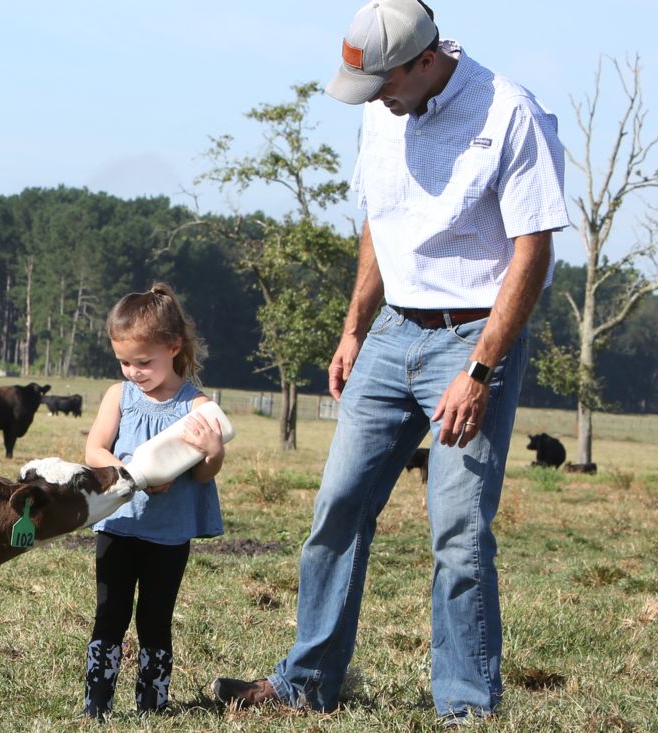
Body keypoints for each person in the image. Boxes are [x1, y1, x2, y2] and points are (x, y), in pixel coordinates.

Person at [210, 0, 569, 725]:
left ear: (424, 60)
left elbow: (534, 249)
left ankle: (466, 706)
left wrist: (479, 370)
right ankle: (307, 681)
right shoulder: (385, 108)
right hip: (392, 332)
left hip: (471, 342)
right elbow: (380, 220)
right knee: (336, 509)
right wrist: (353, 329)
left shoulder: (511, 115)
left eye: (383, 86)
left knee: (459, 532)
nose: (375, 101)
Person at [79, 283, 227, 718]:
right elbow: (94, 451)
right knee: (109, 614)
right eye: (124, 361)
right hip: (119, 526)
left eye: (144, 362)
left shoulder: (196, 406)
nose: (133, 372)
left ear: (173, 346)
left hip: (167, 534)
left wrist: (214, 452)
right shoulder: (118, 396)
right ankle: (97, 704)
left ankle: (152, 706)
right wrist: (133, 476)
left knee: (155, 619)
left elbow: (202, 473)